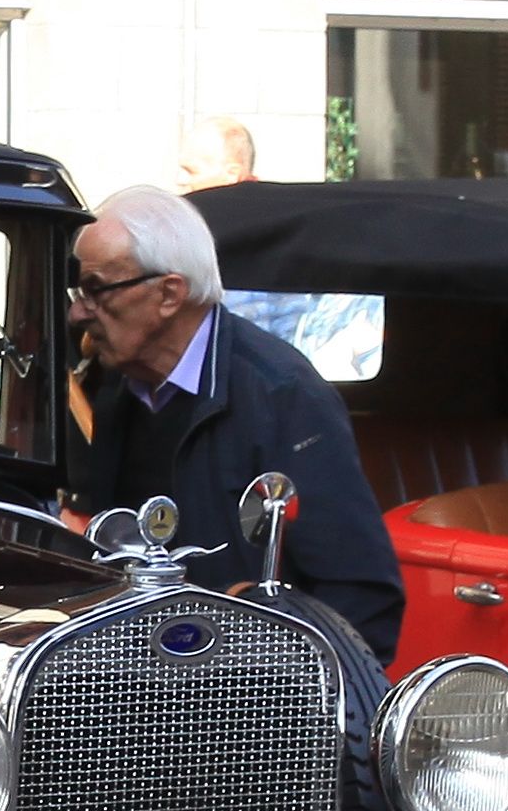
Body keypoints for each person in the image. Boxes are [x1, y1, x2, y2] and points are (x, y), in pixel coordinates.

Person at [61, 181, 407, 661]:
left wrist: (251, 654)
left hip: (247, 713)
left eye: (97, 290)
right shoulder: (116, 386)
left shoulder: (282, 395)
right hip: (140, 688)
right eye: (78, 290)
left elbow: (363, 604)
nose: (79, 311)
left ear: (168, 294)